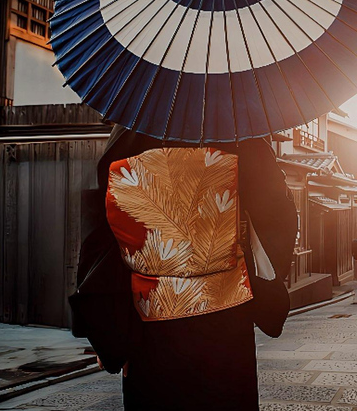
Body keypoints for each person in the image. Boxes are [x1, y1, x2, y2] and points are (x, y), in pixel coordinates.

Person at [70, 125, 298, 410]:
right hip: (225, 319)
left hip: (149, 322)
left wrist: (110, 333)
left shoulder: (131, 125)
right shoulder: (239, 128)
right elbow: (278, 214)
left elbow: (104, 231)